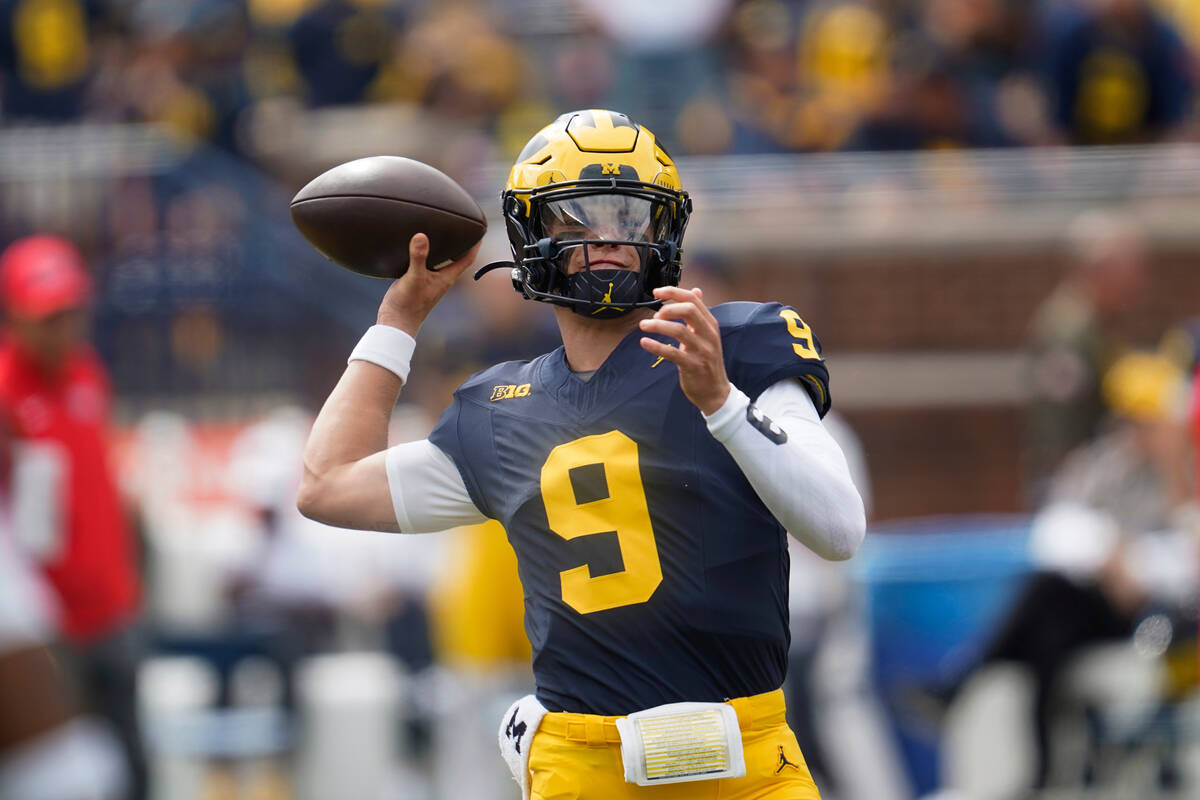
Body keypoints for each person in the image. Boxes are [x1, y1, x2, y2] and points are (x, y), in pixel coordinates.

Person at [298, 109, 865, 799]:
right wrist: (398, 322)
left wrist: (720, 403)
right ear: (534, 234)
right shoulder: (501, 408)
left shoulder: (737, 345)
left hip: (744, 765)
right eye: (580, 218)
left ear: (664, 232)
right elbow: (326, 484)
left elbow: (840, 529)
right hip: (583, 770)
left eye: (631, 219)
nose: (610, 240)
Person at [0, 234, 146, 800]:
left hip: (113, 609)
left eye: (71, 313)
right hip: (51, 627)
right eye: (49, 317)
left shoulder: (86, 372)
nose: (64, 329)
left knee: (132, 764)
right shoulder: (7, 392)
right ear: (16, 316)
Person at [1025, 209, 1148, 500]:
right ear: (1099, 269)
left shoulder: (1097, 321)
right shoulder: (1068, 330)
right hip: (1073, 486)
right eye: (1128, 267)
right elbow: (1059, 426)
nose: (1136, 280)